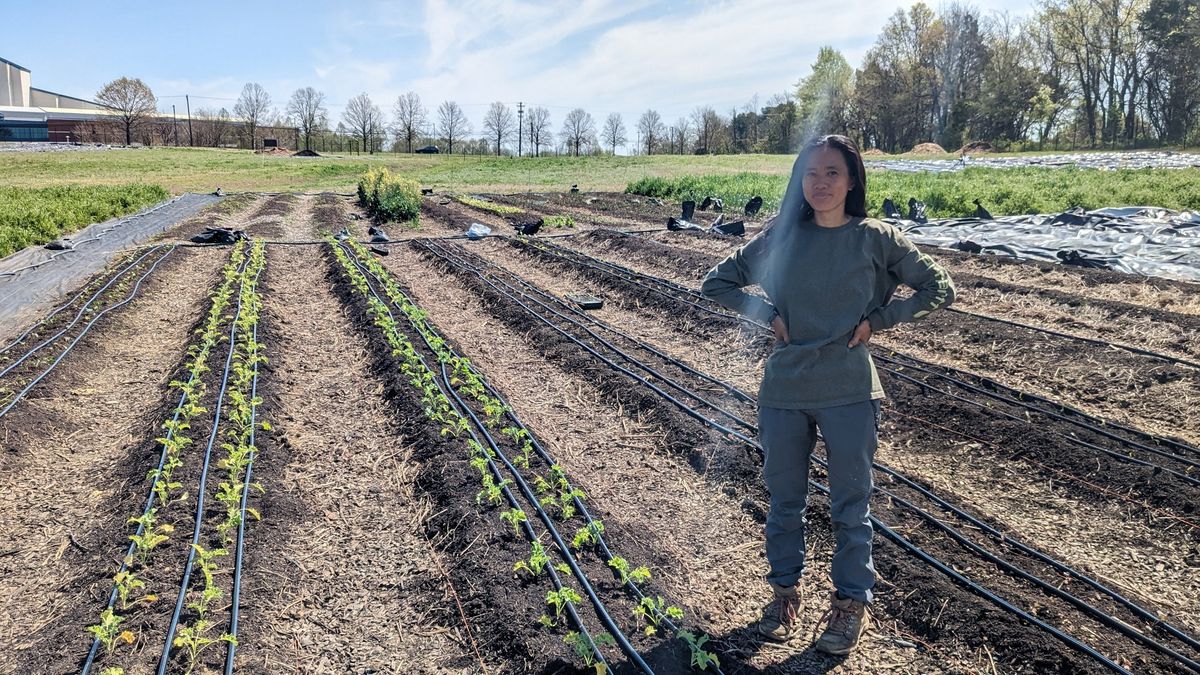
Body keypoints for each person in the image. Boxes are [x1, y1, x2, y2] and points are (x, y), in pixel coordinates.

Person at [700, 134, 955, 655]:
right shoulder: (783, 237)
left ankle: (848, 606)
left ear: (853, 179)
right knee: (784, 502)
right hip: (785, 391)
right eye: (810, 173)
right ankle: (782, 596)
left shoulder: (876, 237)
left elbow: (939, 288)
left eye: (832, 172)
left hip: (849, 391)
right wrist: (766, 315)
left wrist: (880, 319)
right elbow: (717, 282)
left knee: (850, 504)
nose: (819, 183)